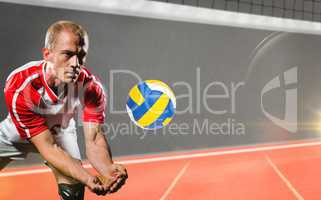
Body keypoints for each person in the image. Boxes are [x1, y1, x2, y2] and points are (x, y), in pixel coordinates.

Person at [0, 20, 127, 199]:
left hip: (60, 134)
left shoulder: (91, 87)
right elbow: (47, 147)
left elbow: (94, 138)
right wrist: (87, 177)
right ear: (47, 54)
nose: (75, 63)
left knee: (73, 191)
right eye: (67, 54)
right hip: (16, 135)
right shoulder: (21, 84)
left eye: (81, 55)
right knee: (79, 176)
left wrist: (107, 169)